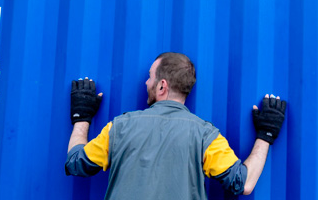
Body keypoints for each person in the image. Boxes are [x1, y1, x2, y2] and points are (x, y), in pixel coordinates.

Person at [65, 52, 287, 199]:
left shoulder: (119, 128)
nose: (146, 82)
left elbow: (76, 163)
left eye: (150, 77)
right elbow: (244, 183)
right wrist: (265, 134)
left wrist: (82, 117)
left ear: (162, 86)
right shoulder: (205, 136)